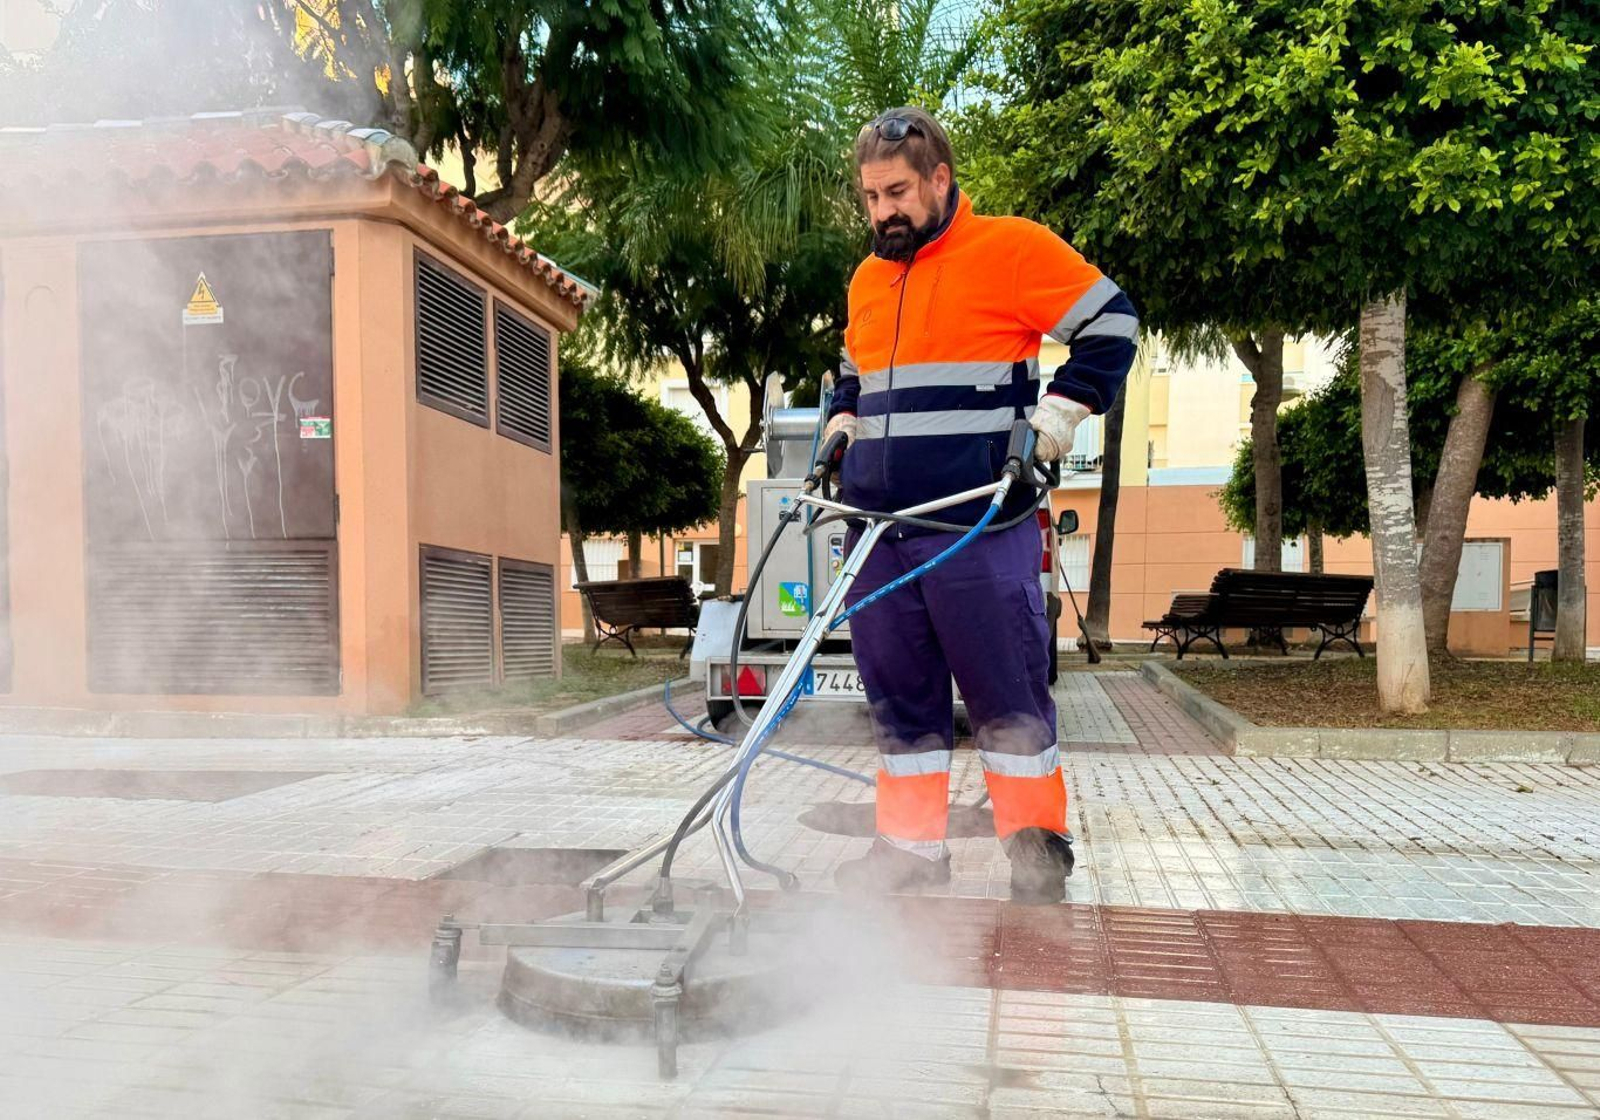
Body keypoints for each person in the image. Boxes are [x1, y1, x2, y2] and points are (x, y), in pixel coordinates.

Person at [825, 107, 1138, 904]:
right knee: (899, 701)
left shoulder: (1012, 250)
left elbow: (1113, 323)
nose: (882, 211)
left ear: (939, 179)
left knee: (1007, 693)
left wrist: (1059, 415)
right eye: (869, 197)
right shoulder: (868, 279)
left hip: (977, 524)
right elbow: (856, 371)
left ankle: (1035, 850)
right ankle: (906, 851)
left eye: (896, 192)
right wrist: (841, 417)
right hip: (882, 533)